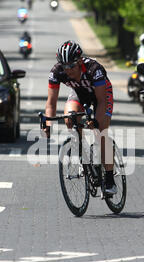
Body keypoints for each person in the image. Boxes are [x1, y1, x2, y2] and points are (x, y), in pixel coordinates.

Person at [43, 40, 117, 194]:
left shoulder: (94, 69)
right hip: (79, 94)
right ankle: (84, 157)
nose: (68, 70)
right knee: (69, 118)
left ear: (80, 61)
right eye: (65, 66)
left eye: (71, 66)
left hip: (101, 95)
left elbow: (102, 101)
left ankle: (110, 179)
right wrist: (47, 124)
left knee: (100, 133)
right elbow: (51, 103)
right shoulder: (57, 71)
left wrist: (95, 121)